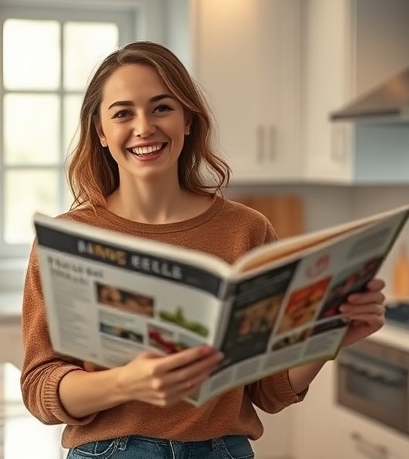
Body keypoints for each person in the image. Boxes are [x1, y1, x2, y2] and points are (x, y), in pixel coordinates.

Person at [20, 40, 387, 459]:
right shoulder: (68, 241)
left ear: (188, 121)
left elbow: (268, 391)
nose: (144, 127)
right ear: (101, 132)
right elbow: (39, 387)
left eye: (161, 108)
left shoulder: (246, 231)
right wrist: (126, 383)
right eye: (123, 113)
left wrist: (331, 332)